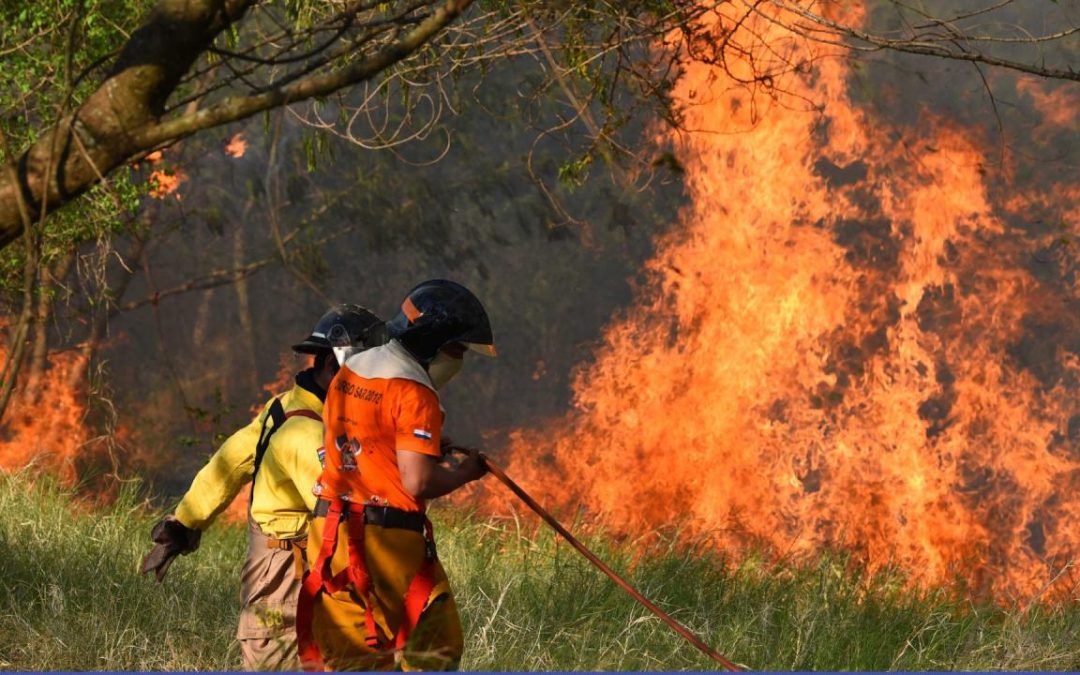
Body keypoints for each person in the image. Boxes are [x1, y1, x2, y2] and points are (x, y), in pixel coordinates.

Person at [140, 304, 385, 670]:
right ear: (335, 367)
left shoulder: (282, 408)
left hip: (288, 571)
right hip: (287, 579)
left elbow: (226, 465)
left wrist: (184, 522)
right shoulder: (306, 432)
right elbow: (341, 508)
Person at [297, 280, 495, 672]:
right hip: (386, 545)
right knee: (435, 649)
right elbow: (418, 482)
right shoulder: (414, 391)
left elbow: (361, 438)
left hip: (330, 535)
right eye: (457, 349)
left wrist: (421, 446)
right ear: (434, 341)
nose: (460, 359)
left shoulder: (350, 371)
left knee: (355, 662)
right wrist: (465, 474)